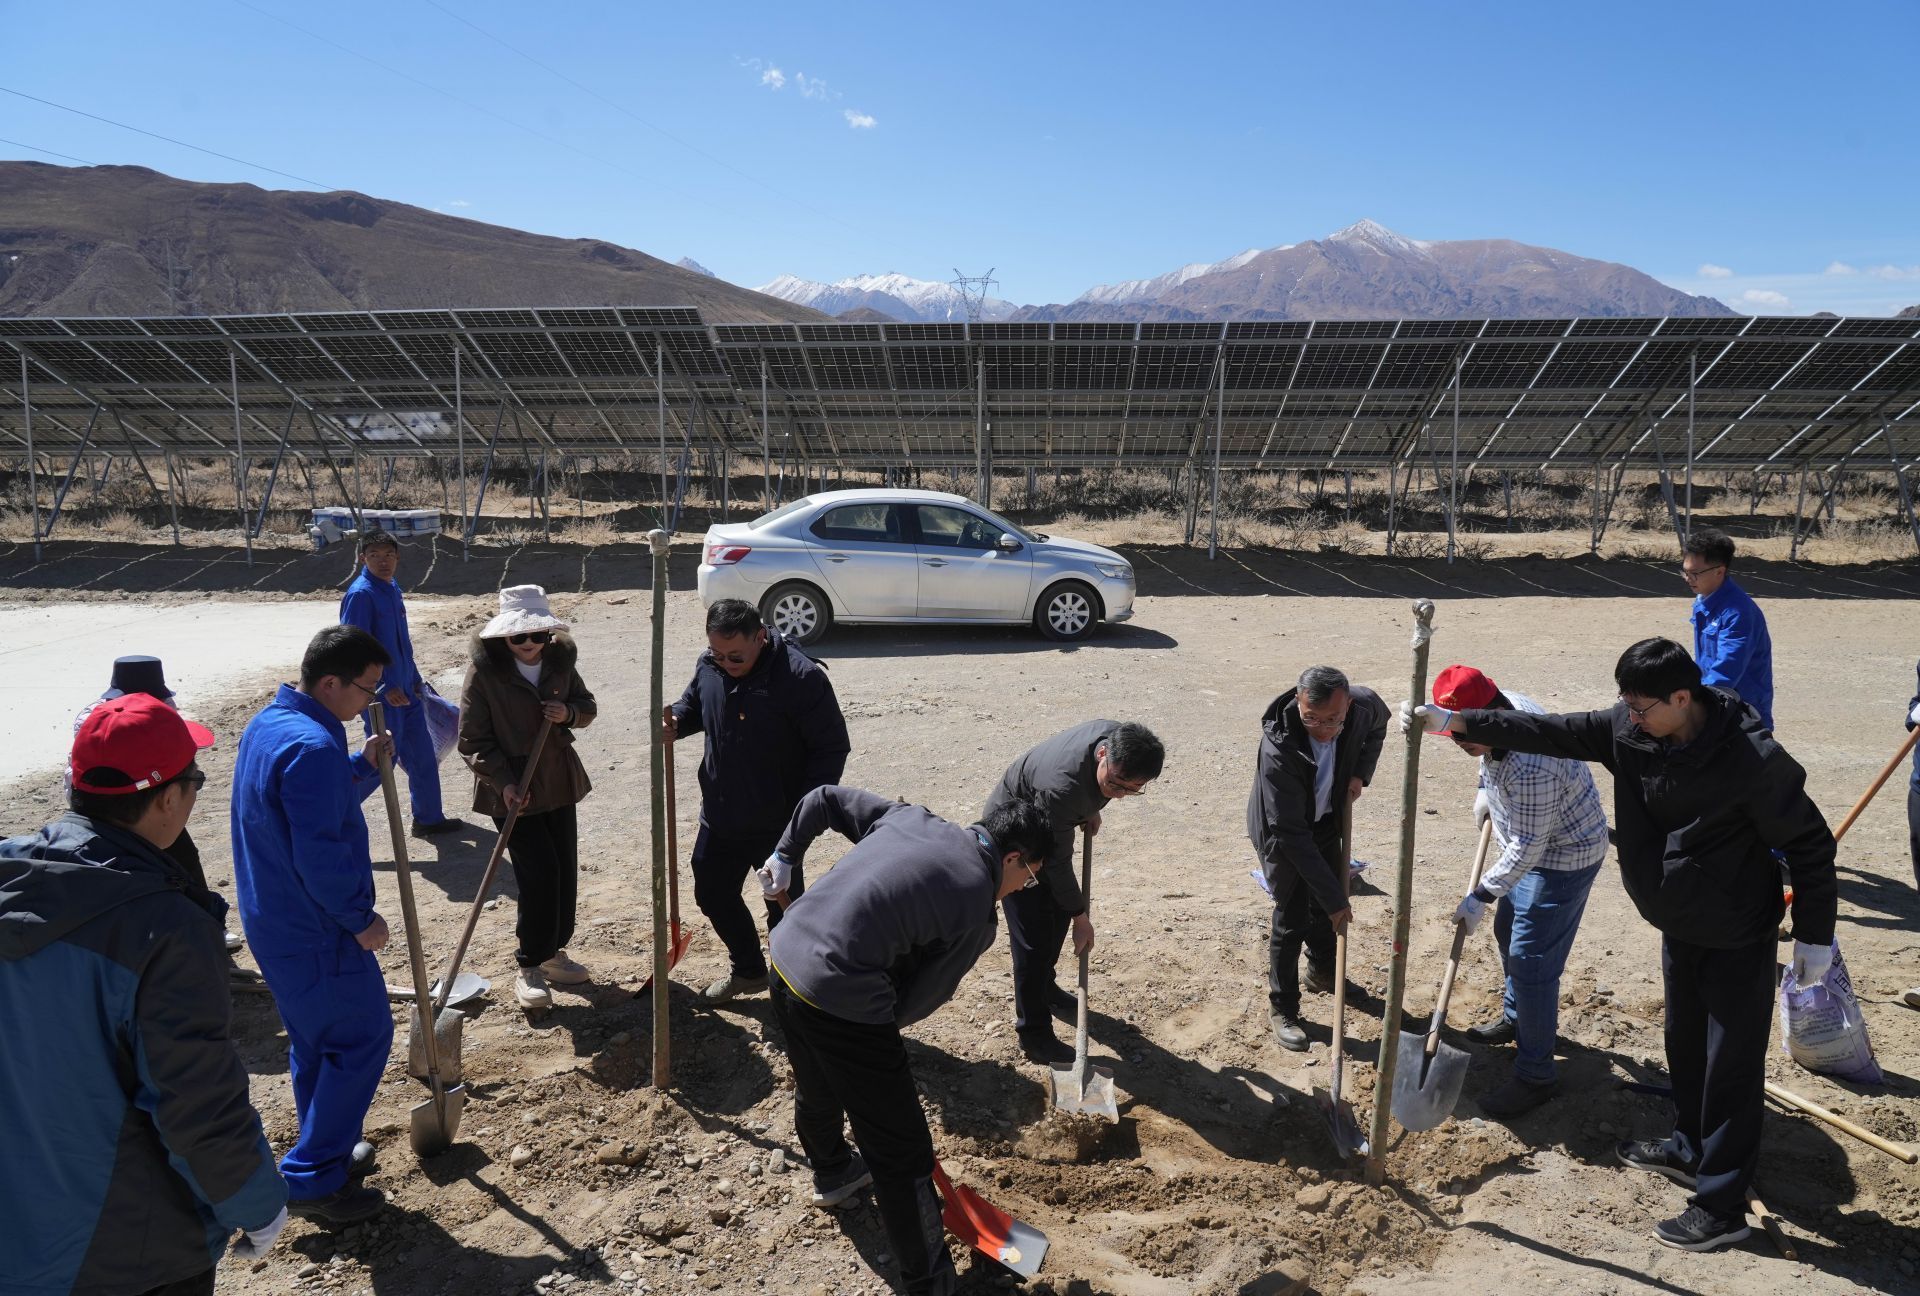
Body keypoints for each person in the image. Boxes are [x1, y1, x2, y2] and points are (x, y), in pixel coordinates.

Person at [1406, 637, 1837, 1252]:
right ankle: (1690, 1148)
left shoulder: (1753, 762)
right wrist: (1459, 721)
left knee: (1730, 1068)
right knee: (1683, 1044)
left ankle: (1722, 1209)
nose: (1627, 717)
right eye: (1625, 705)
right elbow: (1552, 730)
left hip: (1738, 927)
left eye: (1640, 708)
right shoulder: (1632, 728)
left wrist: (1815, 935)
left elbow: (1813, 845)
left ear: (1681, 698)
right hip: (1678, 919)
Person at [1, 694, 288, 1294]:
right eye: (195, 782)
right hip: (126, 1247)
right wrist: (255, 1203)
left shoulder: (11, 879)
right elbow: (195, 1101)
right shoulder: (166, 931)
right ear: (167, 799)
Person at [764, 786, 1053, 1296]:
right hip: (840, 997)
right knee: (903, 1156)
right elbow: (918, 1001)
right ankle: (930, 1284)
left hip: (786, 953)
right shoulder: (975, 909)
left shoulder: (911, 818)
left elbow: (825, 798)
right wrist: (873, 1049)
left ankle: (832, 1172)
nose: (1022, 888)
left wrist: (785, 854)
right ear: (1012, 858)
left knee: (817, 1080)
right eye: (1028, 877)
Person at [230, 624, 396, 1226]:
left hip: (275, 920)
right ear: (331, 682)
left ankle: (328, 1140)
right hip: (315, 928)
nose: (368, 702)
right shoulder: (311, 747)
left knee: (317, 1043)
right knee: (361, 1037)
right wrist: (360, 918)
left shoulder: (272, 724)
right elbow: (320, 853)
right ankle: (312, 1178)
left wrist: (362, 766)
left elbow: (307, 807)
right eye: (366, 689)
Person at [1429, 664, 1610, 1116]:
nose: (1460, 744)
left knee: (1531, 961)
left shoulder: (1531, 766)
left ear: (1493, 713)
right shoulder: (1504, 705)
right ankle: (1518, 1018)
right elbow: (1518, 830)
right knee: (1508, 934)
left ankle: (1535, 1076)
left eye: (1465, 735)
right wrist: (1485, 788)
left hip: (1563, 855)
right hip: (1528, 839)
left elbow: (1529, 849)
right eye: (1454, 734)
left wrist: (1480, 896)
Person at [664, 598, 850, 1005]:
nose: (726, 662)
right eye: (718, 653)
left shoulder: (800, 678)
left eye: (736, 656)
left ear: (760, 637)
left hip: (778, 823)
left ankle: (793, 991)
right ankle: (748, 971)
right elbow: (697, 704)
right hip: (721, 812)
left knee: (784, 909)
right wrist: (677, 720)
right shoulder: (710, 665)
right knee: (712, 893)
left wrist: (805, 816)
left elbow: (831, 749)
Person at [984, 719, 1165, 1064]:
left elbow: (1091, 794)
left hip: (1050, 820)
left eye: (1131, 789)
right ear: (1102, 754)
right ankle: (1034, 1034)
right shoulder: (1063, 788)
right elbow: (1057, 863)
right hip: (1015, 845)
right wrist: (1081, 916)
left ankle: (1046, 988)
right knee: (1033, 943)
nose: (1120, 793)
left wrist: (1092, 806)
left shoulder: (1118, 738)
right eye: (1114, 783)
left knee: (1055, 921)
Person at [458, 585, 598, 1011]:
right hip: (513, 789)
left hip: (556, 777)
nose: (530, 645)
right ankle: (529, 965)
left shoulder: (560, 662)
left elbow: (586, 705)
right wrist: (503, 781)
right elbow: (471, 740)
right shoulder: (484, 674)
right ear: (503, 639)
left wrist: (568, 714)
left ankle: (554, 952)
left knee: (564, 871)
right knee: (540, 874)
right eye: (520, 638)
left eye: (539, 635)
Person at [1247, 665, 1388, 1051]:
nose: (1323, 728)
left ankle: (1324, 972)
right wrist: (1335, 898)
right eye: (1312, 718)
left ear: (1347, 706)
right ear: (1298, 701)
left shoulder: (1363, 707)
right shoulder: (1280, 745)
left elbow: (1380, 724)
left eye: (1333, 720)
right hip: (1283, 832)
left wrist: (1360, 773)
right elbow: (1290, 834)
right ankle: (1283, 1008)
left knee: (1329, 909)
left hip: (1327, 818)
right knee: (1292, 916)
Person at [71, 654, 245, 953]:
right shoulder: (93, 717)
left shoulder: (161, 710)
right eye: (196, 782)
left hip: (123, 804)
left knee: (184, 855)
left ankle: (210, 922)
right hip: (116, 805)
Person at [340, 528, 460, 835]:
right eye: (375, 556)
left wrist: (415, 681)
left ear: (398, 557)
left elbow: (400, 645)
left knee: (422, 756)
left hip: (407, 691)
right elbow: (352, 649)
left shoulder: (391, 587)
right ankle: (333, 810)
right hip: (381, 698)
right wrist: (380, 688)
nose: (383, 562)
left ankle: (428, 818)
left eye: (389, 555)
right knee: (383, 760)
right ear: (362, 558)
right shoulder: (360, 595)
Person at [1684, 528, 1774, 730]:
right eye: (1685, 571)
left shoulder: (1739, 613)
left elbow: (1727, 670)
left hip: (1743, 715)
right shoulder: (1703, 600)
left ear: (1719, 571)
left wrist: (1695, 704)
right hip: (1716, 705)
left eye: (1694, 573)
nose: (1688, 578)